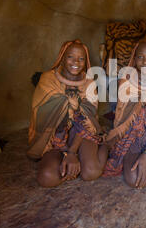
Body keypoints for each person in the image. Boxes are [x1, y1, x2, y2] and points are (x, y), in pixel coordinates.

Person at [27, 40, 108, 187]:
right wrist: (65, 152)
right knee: (47, 178)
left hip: (81, 135)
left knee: (90, 173)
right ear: (62, 57)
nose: (76, 62)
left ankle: (106, 145)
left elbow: (86, 118)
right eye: (71, 56)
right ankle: (72, 164)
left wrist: (72, 152)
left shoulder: (89, 84)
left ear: (86, 61)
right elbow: (44, 117)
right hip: (54, 137)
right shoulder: (48, 79)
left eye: (81, 58)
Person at [103, 41, 146, 190]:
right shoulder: (125, 82)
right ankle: (139, 156)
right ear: (134, 60)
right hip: (131, 134)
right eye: (140, 57)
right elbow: (122, 117)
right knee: (133, 179)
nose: (145, 61)